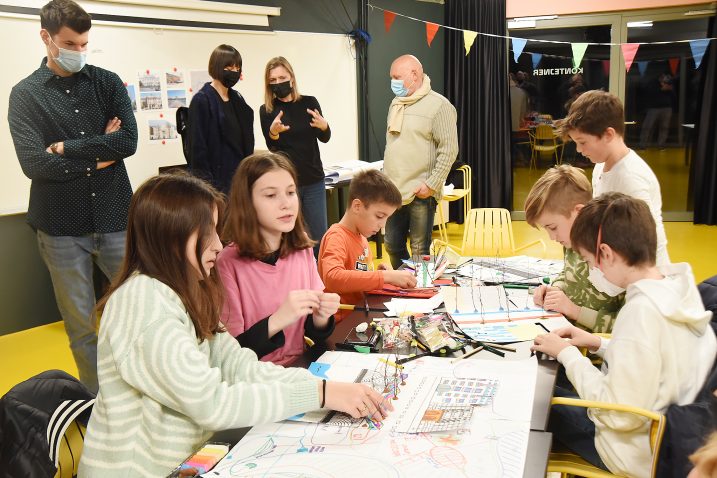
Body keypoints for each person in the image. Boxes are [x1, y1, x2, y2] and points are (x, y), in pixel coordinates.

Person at [78, 172, 389, 477]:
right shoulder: (143, 300)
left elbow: (240, 365)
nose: (217, 244)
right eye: (208, 231)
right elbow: (211, 402)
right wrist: (319, 396)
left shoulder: (187, 291)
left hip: (194, 456)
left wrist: (321, 388)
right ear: (171, 235)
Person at [532, 192, 717, 478]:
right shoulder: (676, 286)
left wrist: (567, 354)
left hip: (627, 449)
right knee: (554, 380)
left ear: (606, 253)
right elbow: (659, 355)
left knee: (532, 397)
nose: (592, 269)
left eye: (589, 260)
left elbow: (617, 413)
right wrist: (597, 342)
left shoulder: (641, 312)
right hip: (662, 434)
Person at [7, 0, 138, 393]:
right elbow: (34, 164)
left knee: (134, 317)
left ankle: (142, 396)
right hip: (60, 228)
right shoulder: (25, 95)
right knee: (82, 327)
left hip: (116, 217)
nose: (79, 51)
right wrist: (100, 156)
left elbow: (128, 141)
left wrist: (64, 147)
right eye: (69, 43)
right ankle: (100, 407)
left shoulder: (107, 82)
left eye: (84, 44)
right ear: (46, 37)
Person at [217, 152, 338, 365]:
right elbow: (230, 354)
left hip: (299, 367)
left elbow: (312, 332)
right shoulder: (227, 263)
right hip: (255, 378)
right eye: (271, 195)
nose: (286, 204)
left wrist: (321, 317)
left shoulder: (302, 250)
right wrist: (277, 320)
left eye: (291, 192)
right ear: (247, 203)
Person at [555, 89, 670, 266]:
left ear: (608, 135)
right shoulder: (600, 165)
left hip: (640, 273)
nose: (578, 150)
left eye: (582, 142)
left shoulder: (631, 178)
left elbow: (646, 241)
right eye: (576, 143)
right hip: (616, 267)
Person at [525, 165, 623, 332]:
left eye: (553, 227)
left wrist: (574, 311)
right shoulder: (571, 240)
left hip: (594, 352)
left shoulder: (618, 253)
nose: (552, 237)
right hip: (565, 335)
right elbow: (569, 272)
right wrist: (556, 289)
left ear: (578, 212)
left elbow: (628, 326)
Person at [383, 54, 459, 269]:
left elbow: (449, 150)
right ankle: (405, 284)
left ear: (414, 74)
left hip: (421, 192)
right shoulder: (396, 104)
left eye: (396, 77)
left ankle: (421, 292)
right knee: (392, 245)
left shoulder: (439, 106)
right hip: (394, 190)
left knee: (419, 251)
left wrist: (431, 184)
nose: (392, 82)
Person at [318, 169, 417, 312]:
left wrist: (378, 274)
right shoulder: (336, 236)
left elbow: (357, 274)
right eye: (379, 216)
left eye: (386, 218)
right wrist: (383, 277)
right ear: (357, 206)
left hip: (362, 311)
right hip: (343, 321)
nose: (382, 225)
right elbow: (333, 278)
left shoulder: (361, 237)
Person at [259, 56, 330, 255]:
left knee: (318, 238)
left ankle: (320, 284)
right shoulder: (267, 110)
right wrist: (273, 132)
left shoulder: (309, 102)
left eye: (282, 77)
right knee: (291, 239)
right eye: (272, 80)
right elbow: (272, 146)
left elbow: (324, 137)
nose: (278, 83)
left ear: (291, 78)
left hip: (314, 180)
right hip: (287, 186)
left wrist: (325, 126)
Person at [188, 44, 254, 195]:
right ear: (217, 67)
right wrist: (208, 190)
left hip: (240, 181)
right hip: (215, 186)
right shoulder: (202, 100)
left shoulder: (237, 98)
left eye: (237, 69)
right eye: (229, 68)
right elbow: (197, 151)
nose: (234, 73)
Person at [639, 73, 675, 150]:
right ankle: (643, 145)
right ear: (660, 78)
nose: (665, 82)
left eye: (666, 80)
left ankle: (661, 145)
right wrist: (661, 89)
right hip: (653, 108)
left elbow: (673, 96)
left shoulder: (670, 85)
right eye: (663, 79)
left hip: (667, 108)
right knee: (647, 126)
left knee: (664, 127)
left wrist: (670, 89)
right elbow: (649, 94)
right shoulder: (653, 84)